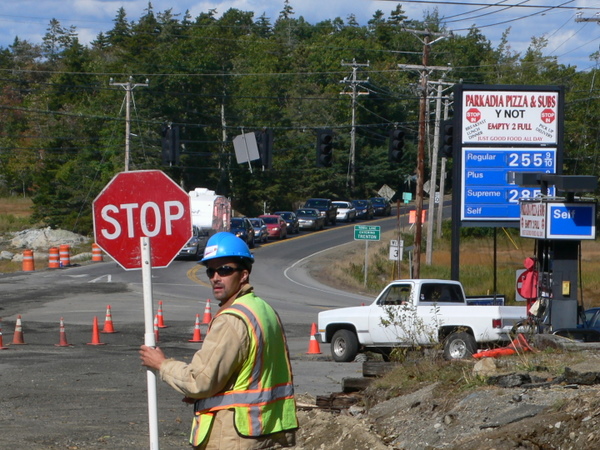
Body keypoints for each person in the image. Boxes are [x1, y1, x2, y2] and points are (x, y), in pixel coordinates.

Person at [139, 232, 298, 449]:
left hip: (234, 436)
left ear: (243, 275)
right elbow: (249, 374)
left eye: (224, 270)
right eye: (210, 271)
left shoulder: (232, 319)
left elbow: (200, 382)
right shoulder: (263, 310)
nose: (215, 277)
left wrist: (162, 364)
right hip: (266, 430)